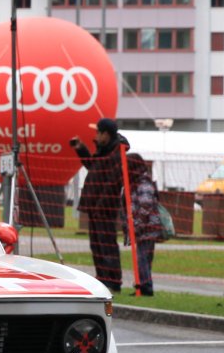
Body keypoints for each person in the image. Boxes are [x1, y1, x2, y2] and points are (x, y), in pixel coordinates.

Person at [70, 118, 130, 292]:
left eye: (98, 132)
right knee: (96, 244)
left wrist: (101, 204)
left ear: (106, 134)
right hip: (95, 205)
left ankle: (113, 280)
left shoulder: (116, 153)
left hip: (105, 207)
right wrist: (81, 149)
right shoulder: (104, 150)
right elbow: (93, 167)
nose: (96, 136)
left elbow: (112, 183)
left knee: (106, 243)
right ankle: (102, 277)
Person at [125, 153, 163, 296]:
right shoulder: (137, 182)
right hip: (143, 227)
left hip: (147, 227)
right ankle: (143, 284)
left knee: (142, 258)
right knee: (143, 257)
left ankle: (145, 286)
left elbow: (146, 205)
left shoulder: (143, 183)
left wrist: (137, 223)